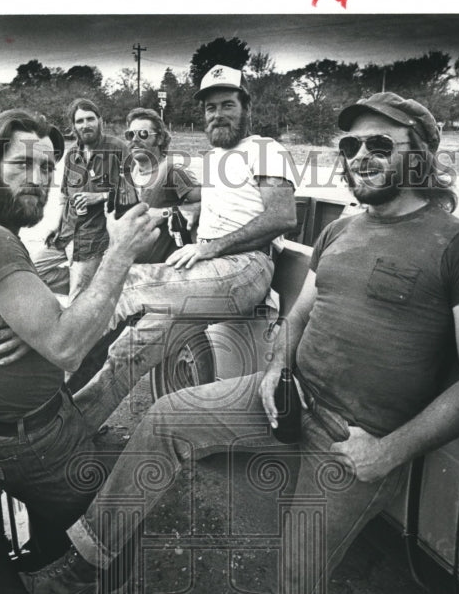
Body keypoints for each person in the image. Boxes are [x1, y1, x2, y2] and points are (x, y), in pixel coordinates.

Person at [20, 92, 459, 594]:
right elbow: (299, 313)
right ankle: (87, 560)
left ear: (421, 156)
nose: (360, 156)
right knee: (167, 416)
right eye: (350, 144)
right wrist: (277, 368)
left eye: (380, 144)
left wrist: (388, 452)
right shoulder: (342, 230)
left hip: (355, 440)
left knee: (294, 581)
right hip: (286, 399)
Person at [0, 110, 159, 570]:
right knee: (113, 549)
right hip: (36, 444)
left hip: (23, 429)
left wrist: (36, 327)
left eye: (46, 168)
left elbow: (52, 332)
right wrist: (119, 253)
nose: (37, 179)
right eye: (21, 165)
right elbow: (66, 347)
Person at [44, 65, 298, 419]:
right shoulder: (214, 160)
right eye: (211, 108)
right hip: (208, 274)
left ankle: (44, 353)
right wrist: (187, 213)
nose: (218, 115)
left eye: (228, 105)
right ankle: (69, 429)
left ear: (247, 109)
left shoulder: (264, 148)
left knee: (125, 281)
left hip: (246, 267)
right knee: (131, 348)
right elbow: (203, 202)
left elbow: (282, 216)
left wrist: (211, 246)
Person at [49, 98, 130, 300]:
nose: (85, 125)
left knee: (76, 301)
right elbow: (64, 195)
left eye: (90, 119)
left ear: (100, 120)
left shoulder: (117, 148)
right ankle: (91, 287)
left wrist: (101, 196)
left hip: (93, 239)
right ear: (73, 126)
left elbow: (134, 191)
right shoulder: (72, 155)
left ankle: (86, 290)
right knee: (33, 271)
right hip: (66, 234)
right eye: (80, 121)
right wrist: (57, 225)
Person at [118, 107, 201, 264]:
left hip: (163, 270)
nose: (134, 140)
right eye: (130, 135)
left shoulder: (173, 171)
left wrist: (165, 213)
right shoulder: (130, 173)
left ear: (160, 139)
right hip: (132, 266)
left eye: (143, 134)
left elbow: (210, 202)